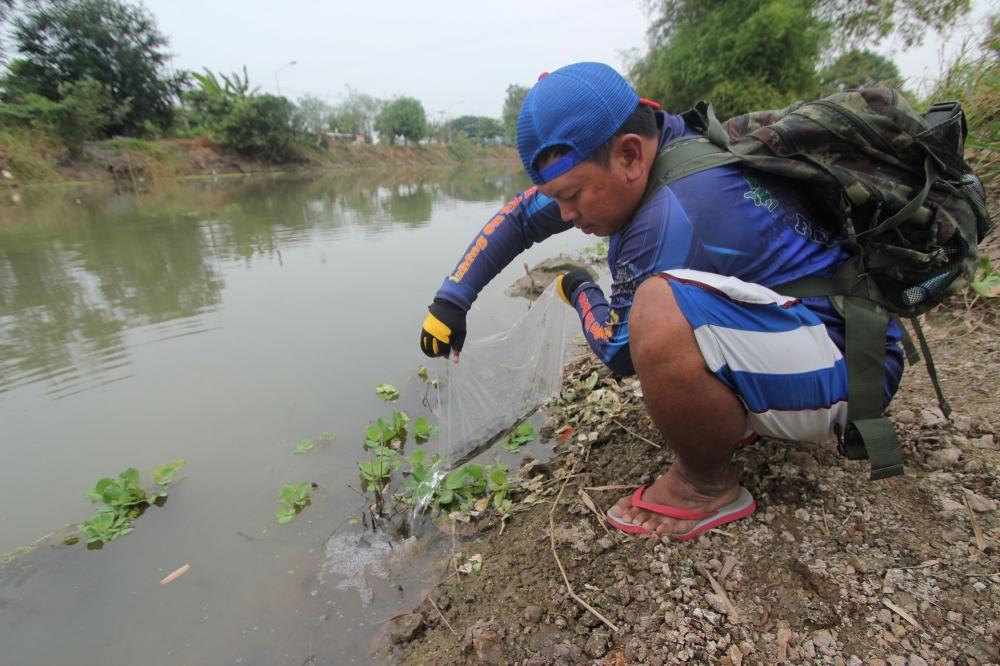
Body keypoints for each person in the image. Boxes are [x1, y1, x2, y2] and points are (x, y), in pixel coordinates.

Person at [418, 62, 903, 540]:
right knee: (666, 308)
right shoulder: (661, 142)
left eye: (572, 197)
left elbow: (620, 350)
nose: (565, 215)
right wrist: (453, 299)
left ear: (629, 156)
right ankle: (742, 407)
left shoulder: (675, 209)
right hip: (820, 328)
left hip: (853, 367)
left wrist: (580, 286)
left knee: (657, 311)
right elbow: (525, 215)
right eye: (557, 198)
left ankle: (703, 487)